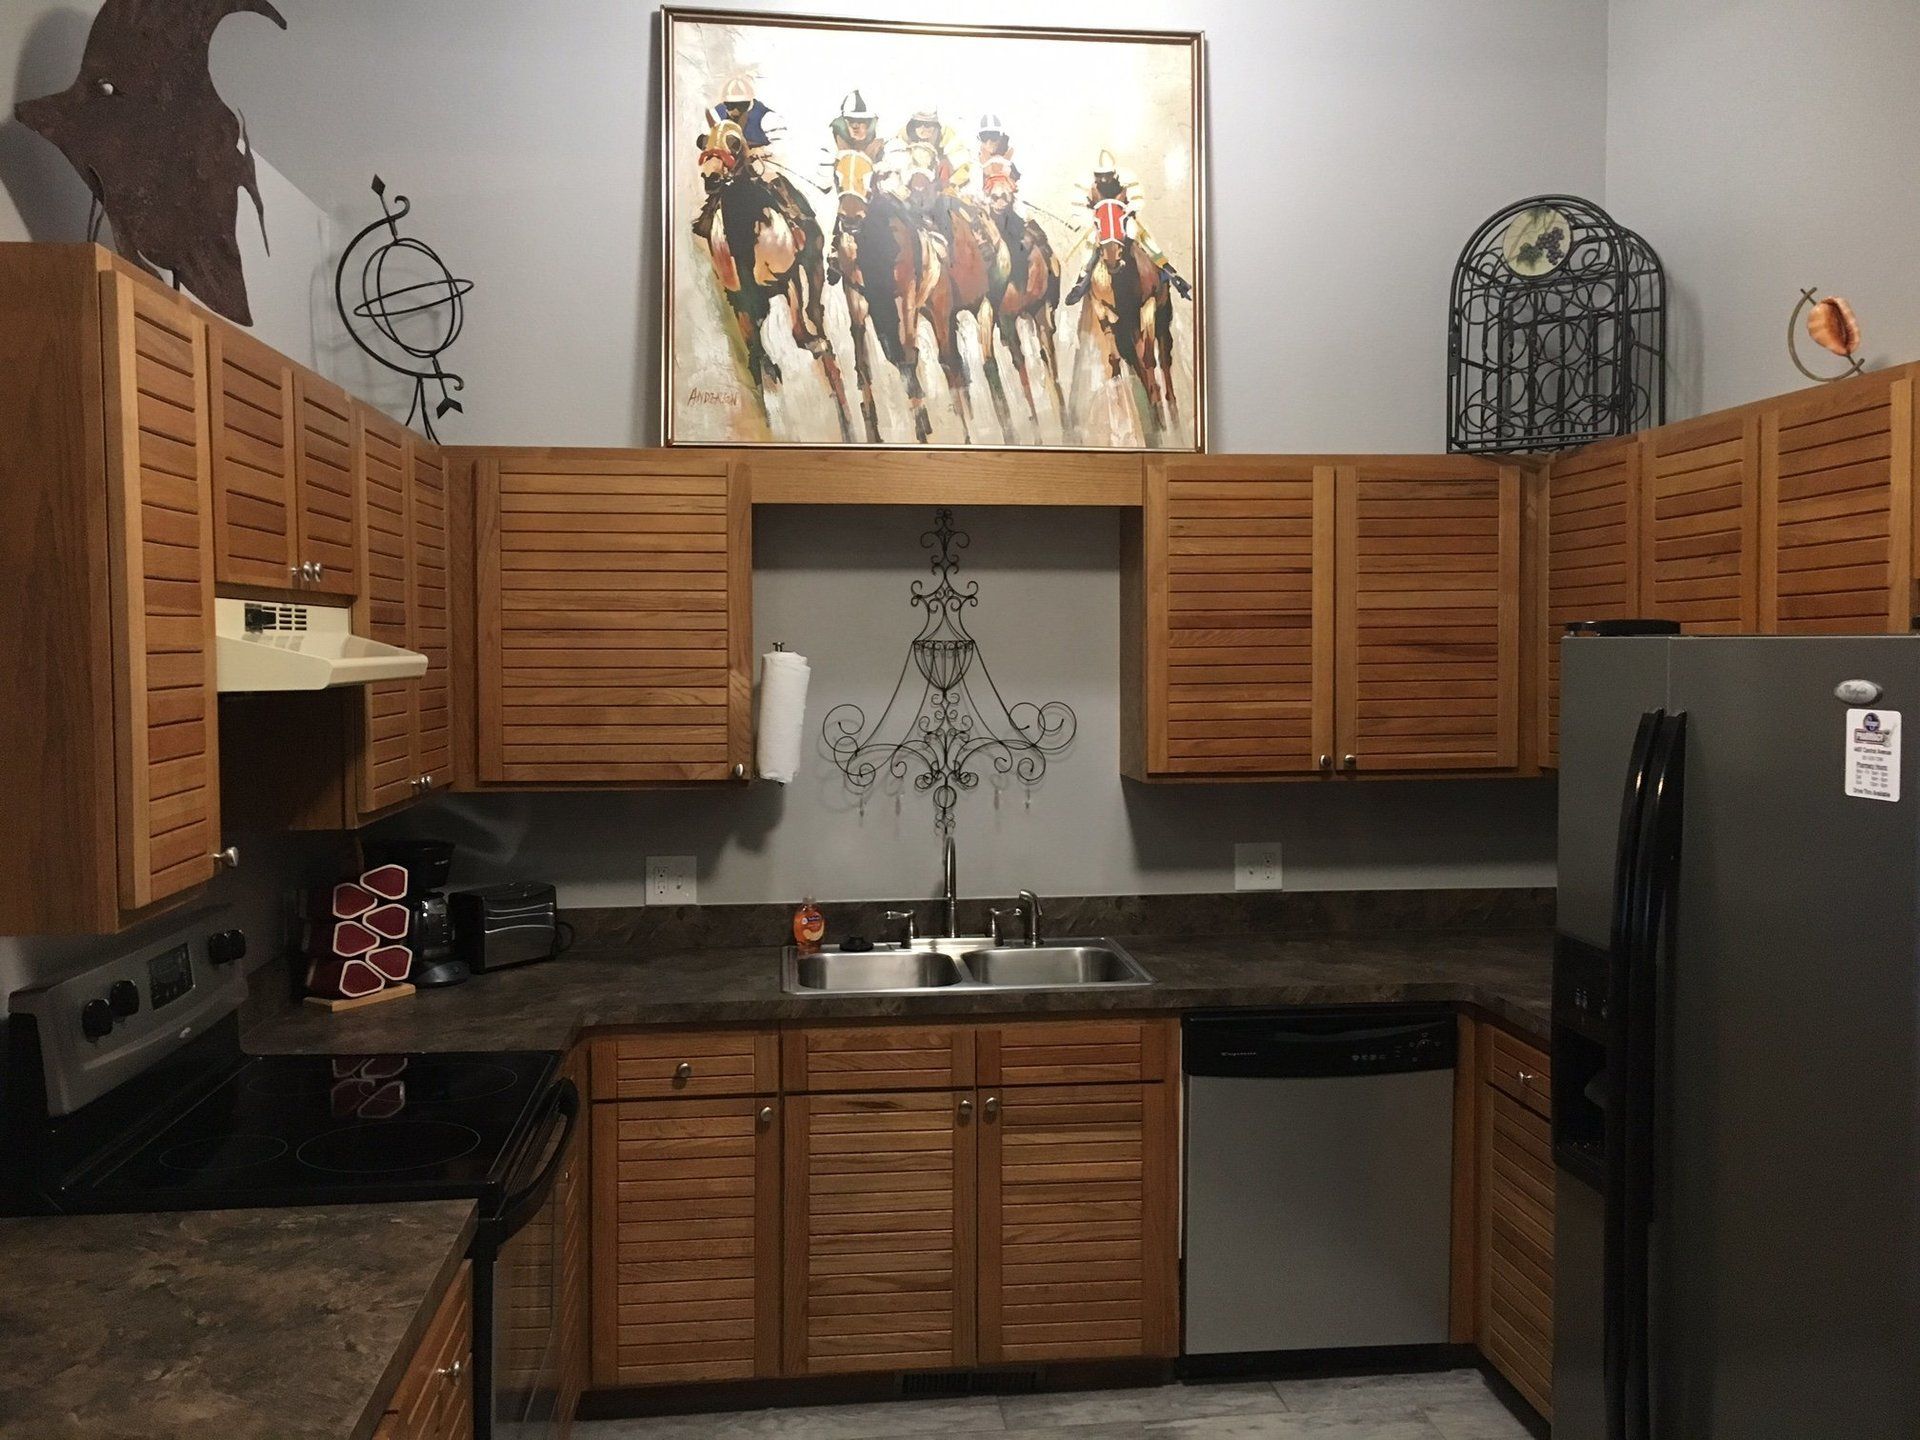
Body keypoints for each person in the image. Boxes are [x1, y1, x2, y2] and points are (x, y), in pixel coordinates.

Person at [692, 73, 810, 243]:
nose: (734, 111)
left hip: (756, 162)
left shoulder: (766, 117)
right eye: (731, 105)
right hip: (730, 164)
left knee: (769, 176)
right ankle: (706, 221)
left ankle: (795, 214)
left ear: (749, 103)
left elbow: (784, 144)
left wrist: (762, 150)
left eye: (740, 105)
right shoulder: (716, 115)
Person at [1064, 149, 1192, 305]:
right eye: (1100, 175)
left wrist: (1129, 210)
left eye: (1107, 175)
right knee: (1091, 241)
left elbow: (1138, 200)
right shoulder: (1087, 184)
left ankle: (1171, 274)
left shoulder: (1126, 179)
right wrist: (1092, 218)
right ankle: (1082, 281)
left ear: (1114, 173)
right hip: (1100, 221)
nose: (1104, 179)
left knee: (1138, 233)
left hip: (1122, 218)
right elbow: (1078, 207)